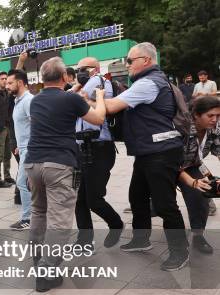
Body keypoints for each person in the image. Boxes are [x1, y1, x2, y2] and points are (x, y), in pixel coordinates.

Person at [104, 42, 190, 271]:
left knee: (165, 204)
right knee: (137, 197)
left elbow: (111, 106)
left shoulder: (149, 83)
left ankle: (180, 251)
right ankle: (141, 239)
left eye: (131, 60)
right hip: (148, 151)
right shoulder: (149, 81)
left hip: (161, 152)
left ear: (146, 61)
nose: (128, 64)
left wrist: (90, 98)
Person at [25, 57, 106, 292]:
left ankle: (38, 260)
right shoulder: (71, 99)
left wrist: (75, 90)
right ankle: (46, 271)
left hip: (33, 164)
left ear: (42, 78)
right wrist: (99, 98)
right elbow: (98, 119)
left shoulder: (36, 100)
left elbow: (59, 99)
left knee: (39, 212)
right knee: (59, 220)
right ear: (64, 77)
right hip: (59, 165)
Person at [71, 57, 124, 248]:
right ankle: (84, 241)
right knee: (80, 199)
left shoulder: (99, 82)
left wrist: (77, 90)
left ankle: (116, 223)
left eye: (83, 69)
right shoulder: (85, 84)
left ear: (94, 69)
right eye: (77, 69)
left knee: (93, 199)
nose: (79, 73)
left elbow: (75, 100)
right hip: (84, 147)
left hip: (98, 147)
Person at [177, 96, 220, 254]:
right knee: (161, 205)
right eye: (210, 116)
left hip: (193, 165)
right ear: (196, 115)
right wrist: (190, 181)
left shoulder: (215, 127)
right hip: (167, 166)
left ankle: (198, 236)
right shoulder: (182, 128)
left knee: (200, 197)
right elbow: (172, 161)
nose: (215, 119)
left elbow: (218, 149)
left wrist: (197, 183)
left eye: (218, 115)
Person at [6, 69, 33, 230]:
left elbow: (36, 125)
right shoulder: (18, 100)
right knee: (29, 184)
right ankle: (34, 215)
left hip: (30, 149)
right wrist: (19, 146)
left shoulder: (28, 100)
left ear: (20, 83)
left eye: (10, 83)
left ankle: (27, 219)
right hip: (24, 148)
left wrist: (29, 147)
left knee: (22, 183)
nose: (7, 86)